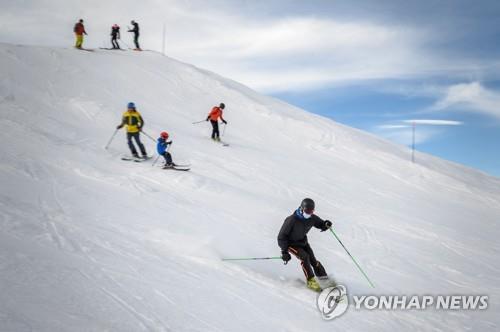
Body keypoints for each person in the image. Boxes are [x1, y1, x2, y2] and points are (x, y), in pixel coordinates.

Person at [277, 198, 333, 292]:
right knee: (305, 257)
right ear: (302, 209)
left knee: (313, 261)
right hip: (291, 244)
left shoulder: (311, 218)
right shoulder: (292, 220)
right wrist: (284, 252)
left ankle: (325, 281)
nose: (309, 213)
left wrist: (326, 224)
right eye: (307, 211)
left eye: (311, 211)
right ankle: (311, 281)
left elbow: (320, 223)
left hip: (303, 242)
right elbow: (281, 237)